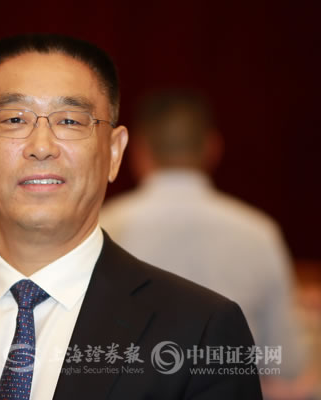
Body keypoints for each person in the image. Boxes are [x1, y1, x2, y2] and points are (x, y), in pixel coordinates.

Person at [0, 34, 262, 399]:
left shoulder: (200, 330)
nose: (41, 146)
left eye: (69, 121)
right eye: (14, 120)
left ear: (114, 152)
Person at [100, 91, 306, 392]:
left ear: (138, 151)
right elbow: (285, 362)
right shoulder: (259, 232)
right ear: (213, 148)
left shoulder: (107, 225)